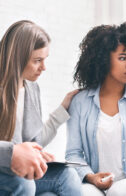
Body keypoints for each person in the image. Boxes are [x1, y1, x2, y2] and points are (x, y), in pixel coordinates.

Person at [65, 22, 126, 196]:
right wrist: (91, 177)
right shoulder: (80, 102)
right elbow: (73, 153)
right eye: (122, 58)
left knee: (119, 192)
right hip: (93, 181)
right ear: (103, 60)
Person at [0, 20, 81, 195]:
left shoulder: (31, 89)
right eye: (37, 60)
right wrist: (12, 153)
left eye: (45, 60)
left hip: (17, 173)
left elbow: (34, 141)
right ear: (17, 57)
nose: (43, 68)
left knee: (68, 175)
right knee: (25, 184)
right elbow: (16, 151)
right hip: (4, 170)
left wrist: (37, 154)